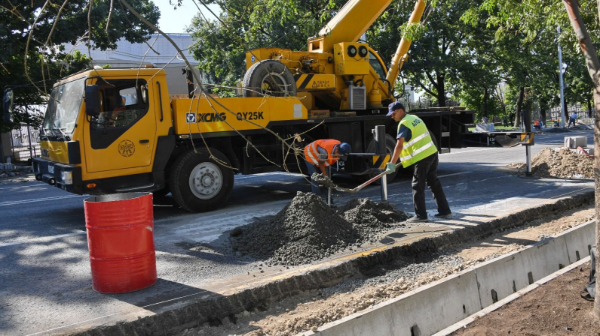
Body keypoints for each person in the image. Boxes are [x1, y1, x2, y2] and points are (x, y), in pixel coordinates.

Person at [385, 102, 451, 222]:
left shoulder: (404, 123)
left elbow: (398, 145)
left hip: (422, 157)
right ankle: (445, 211)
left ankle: (421, 216)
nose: (392, 117)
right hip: (432, 153)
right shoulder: (414, 118)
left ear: (400, 111)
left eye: (393, 113)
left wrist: (392, 163)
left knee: (417, 185)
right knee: (433, 182)